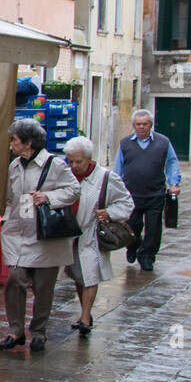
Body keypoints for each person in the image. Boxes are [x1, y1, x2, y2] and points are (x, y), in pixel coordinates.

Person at [0, 118, 79, 353]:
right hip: (18, 232)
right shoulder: (14, 166)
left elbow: (74, 190)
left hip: (45, 236)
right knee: (15, 279)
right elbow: (10, 197)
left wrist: (48, 198)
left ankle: (39, 332)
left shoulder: (54, 165)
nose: (11, 144)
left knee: (44, 286)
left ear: (28, 143)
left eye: (14, 139)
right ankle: (15, 330)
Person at [62, 136, 133, 337]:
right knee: (78, 274)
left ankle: (85, 317)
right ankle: (86, 313)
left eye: (78, 162)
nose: (74, 166)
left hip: (92, 233)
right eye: (71, 161)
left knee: (90, 273)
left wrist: (109, 212)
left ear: (89, 159)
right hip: (70, 234)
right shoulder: (66, 176)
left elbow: (126, 203)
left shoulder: (106, 178)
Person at [112, 109, 181, 271]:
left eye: (145, 124)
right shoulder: (125, 143)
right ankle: (133, 247)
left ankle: (147, 256)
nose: (141, 127)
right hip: (131, 193)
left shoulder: (163, 142)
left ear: (151, 125)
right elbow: (117, 169)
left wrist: (174, 183)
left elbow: (172, 162)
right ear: (134, 125)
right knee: (132, 225)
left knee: (153, 227)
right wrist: (114, 189)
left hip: (155, 193)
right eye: (138, 124)